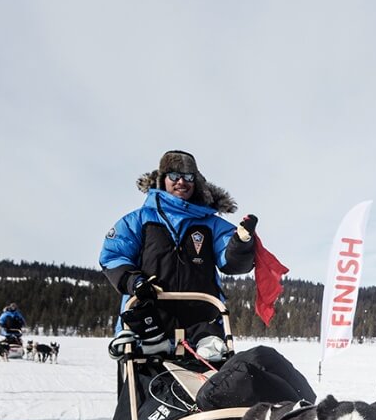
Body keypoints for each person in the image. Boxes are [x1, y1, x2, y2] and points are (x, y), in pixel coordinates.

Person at [99, 150, 257, 354]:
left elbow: (232, 263)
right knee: (142, 384)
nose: (181, 181)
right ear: (162, 179)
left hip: (202, 328)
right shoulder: (138, 221)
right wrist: (135, 282)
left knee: (210, 385)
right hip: (148, 325)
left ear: (197, 182)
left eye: (188, 177)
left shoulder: (212, 225)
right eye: (174, 175)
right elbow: (113, 255)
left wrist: (241, 242)